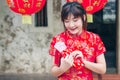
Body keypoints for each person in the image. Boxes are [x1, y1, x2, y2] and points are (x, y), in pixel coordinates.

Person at [49, 2, 106, 80]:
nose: (71, 25)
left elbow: (102, 69)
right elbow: (53, 70)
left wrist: (83, 62)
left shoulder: (94, 39)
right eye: (67, 21)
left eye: (75, 20)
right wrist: (62, 68)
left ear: (84, 17)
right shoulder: (58, 40)